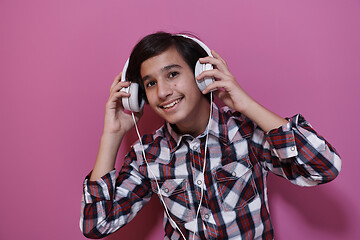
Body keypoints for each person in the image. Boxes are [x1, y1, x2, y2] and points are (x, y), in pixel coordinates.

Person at [80, 32, 341, 240]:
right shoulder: (147, 155)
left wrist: (245, 104)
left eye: (172, 74)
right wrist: (112, 135)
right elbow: (97, 225)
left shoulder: (246, 132)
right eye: (150, 83)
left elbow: (323, 167)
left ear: (202, 76)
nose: (162, 92)